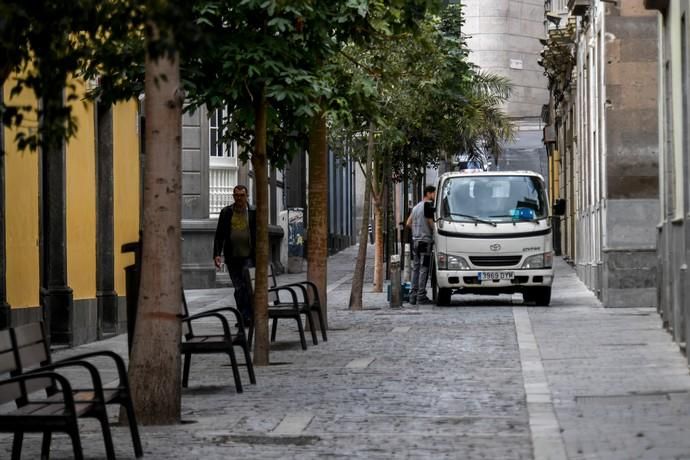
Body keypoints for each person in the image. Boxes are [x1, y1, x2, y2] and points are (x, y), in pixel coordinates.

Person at [213, 185, 257, 325]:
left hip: (248, 256)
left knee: (247, 286)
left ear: (247, 196)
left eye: (242, 195)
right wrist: (217, 254)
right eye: (236, 195)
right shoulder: (226, 212)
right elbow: (219, 235)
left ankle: (249, 315)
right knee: (238, 288)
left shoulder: (253, 212)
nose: (239, 198)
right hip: (232, 257)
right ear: (233, 196)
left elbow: (260, 233)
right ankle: (244, 316)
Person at [406, 185, 436, 305]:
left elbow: (408, 223)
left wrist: (416, 231)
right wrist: (435, 230)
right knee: (424, 268)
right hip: (425, 241)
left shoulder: (416, 207)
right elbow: (430, 222)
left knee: (416, 268)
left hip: (416, 241)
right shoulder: (428, 205)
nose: (434, 196)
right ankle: (421, 295)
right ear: (428, 193)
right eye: (434, 193)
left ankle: (413, 295)